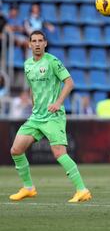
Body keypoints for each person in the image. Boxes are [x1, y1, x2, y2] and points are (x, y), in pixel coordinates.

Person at [9, 30, 91, 202]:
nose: (37, 44)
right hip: (36, 117)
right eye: (34, 41)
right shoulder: (27, 65)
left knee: (59, 153)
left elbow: (69, 83)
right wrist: (33, 105)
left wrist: (58, 103)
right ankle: (28, 188)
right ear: (29, 44)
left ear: (45, 43)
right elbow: (32, 87)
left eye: (40, 41)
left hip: (53, 116)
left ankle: (82, 190)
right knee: (16, 150)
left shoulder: (53, 61)